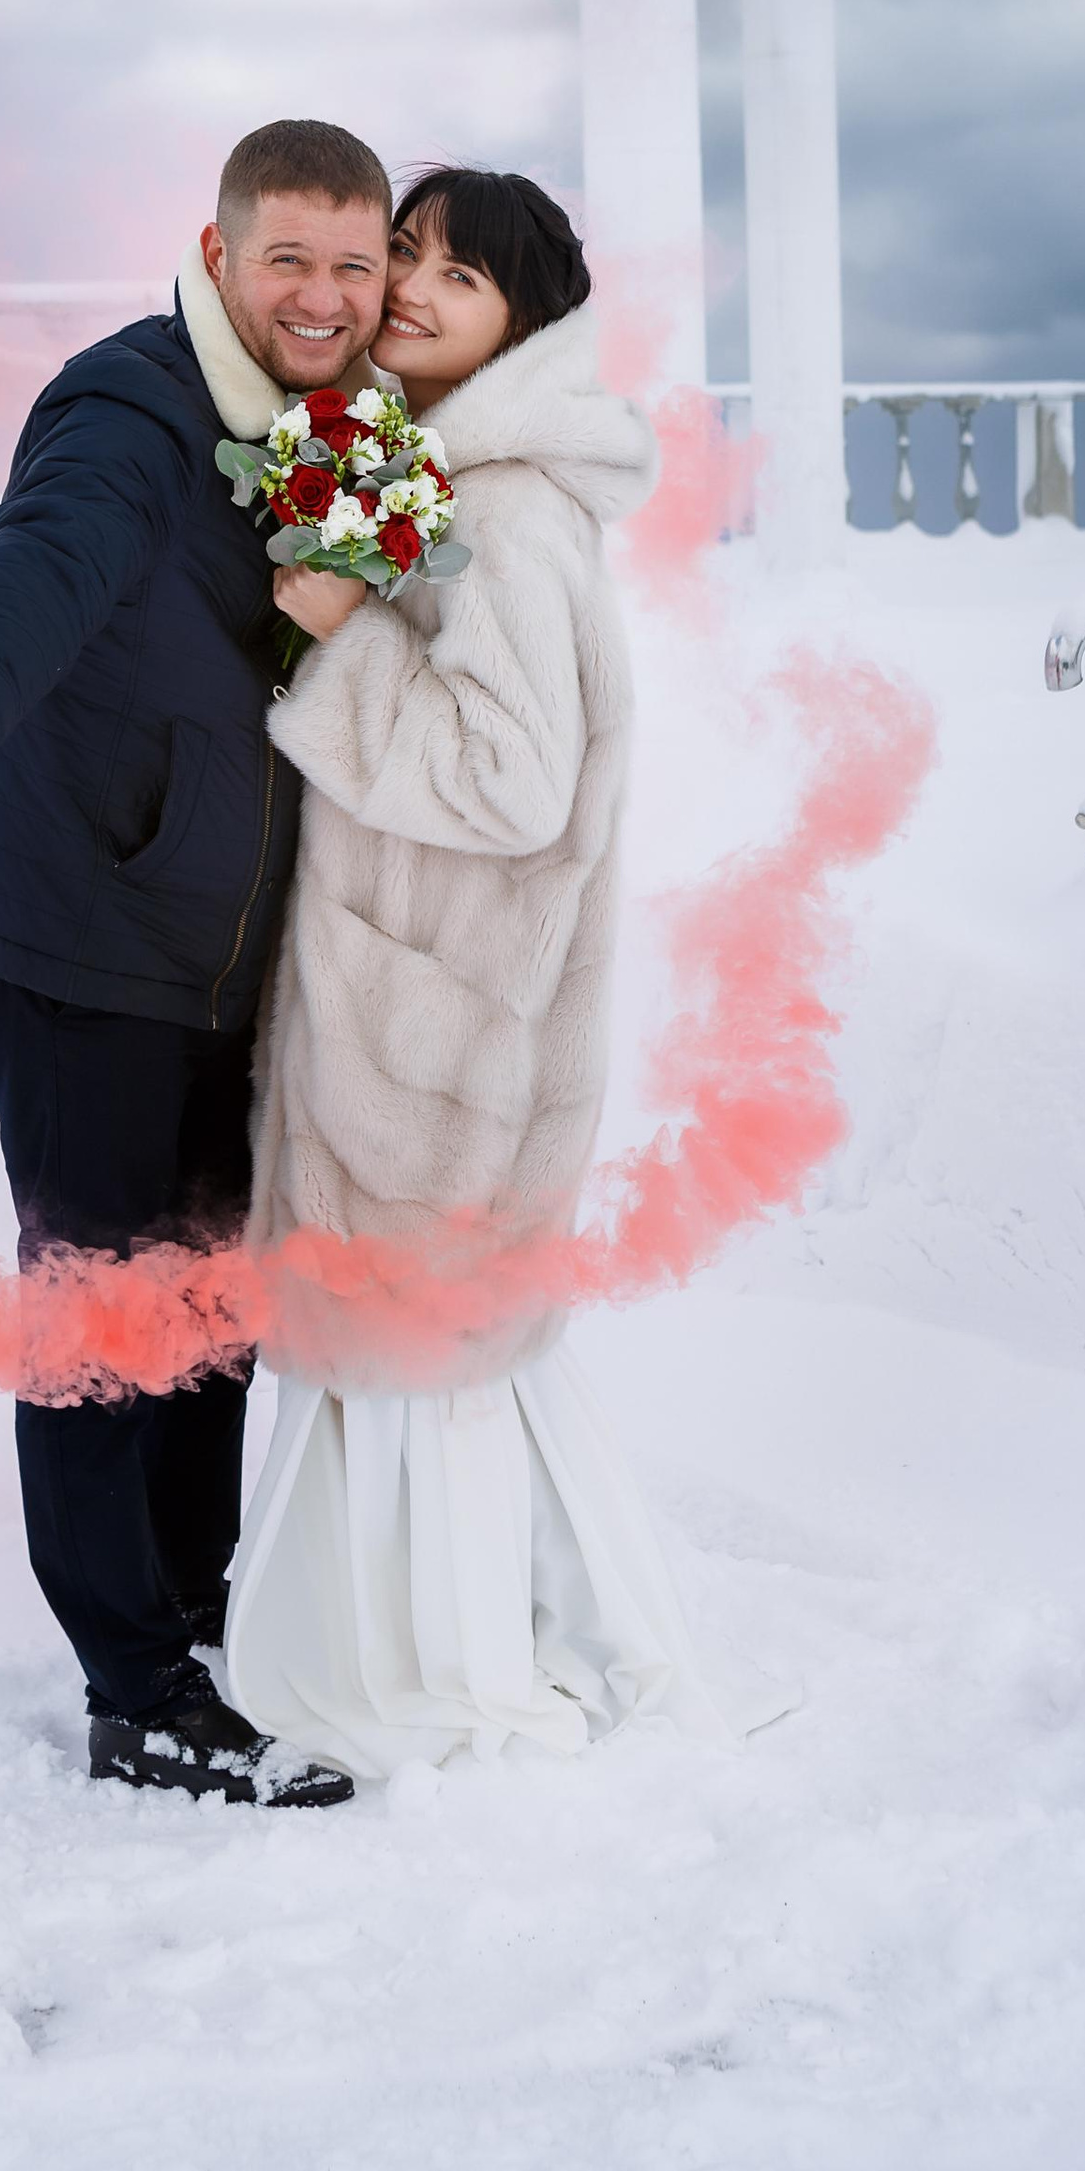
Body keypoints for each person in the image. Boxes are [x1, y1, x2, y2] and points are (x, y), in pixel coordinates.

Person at [0, 118, 395, 1809]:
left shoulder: (341, 431)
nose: (323, 295)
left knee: (210, 1304)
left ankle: (198, 1616)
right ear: (217, 255)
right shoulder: (132, 409)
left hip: (224, 954)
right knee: (99, 1311)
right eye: (287, 258)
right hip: (83, 940)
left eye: (354, 265)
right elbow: (45, 562)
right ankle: (132, 1686)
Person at [223, 166, 772, 1779]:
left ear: (523, 325)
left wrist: (326, 661)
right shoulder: (436, 472)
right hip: (428, 1008)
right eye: (407, 253)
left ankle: (429, 1659)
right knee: (428, 1361)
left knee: (416, 1367)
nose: (407, 288)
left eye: (457, 278)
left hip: (442, 1018)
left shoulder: (506, 513)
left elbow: (512, 781)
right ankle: (441, 1630)